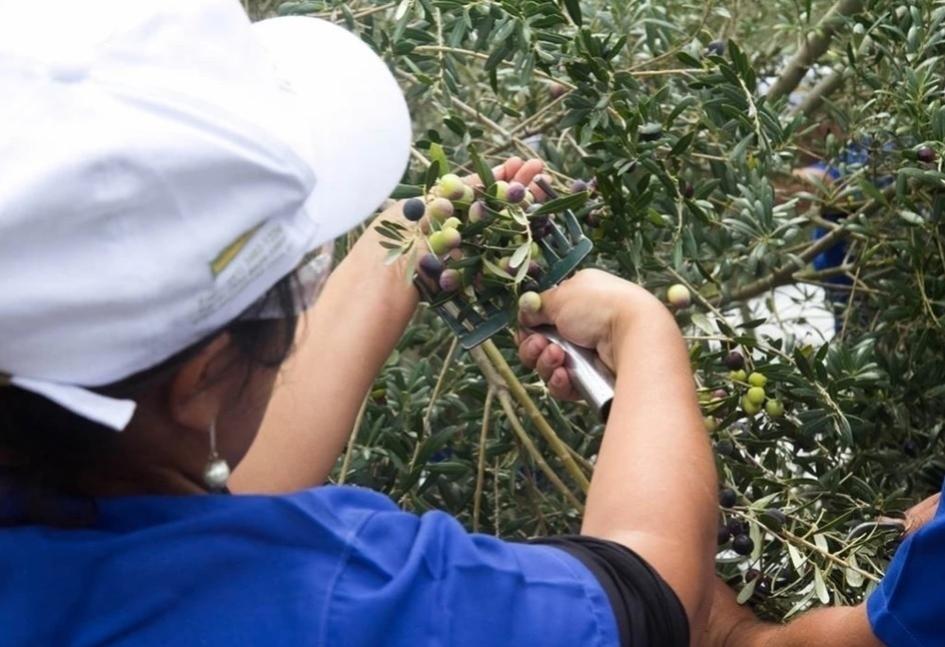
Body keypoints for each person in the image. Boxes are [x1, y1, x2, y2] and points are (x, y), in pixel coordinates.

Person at [0, 1, 718, 645]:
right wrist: (640, 330)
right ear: (205, 375)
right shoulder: (339, 603)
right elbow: (648, 593)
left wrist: (403, 243)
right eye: (300, 285)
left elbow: (203, 508)